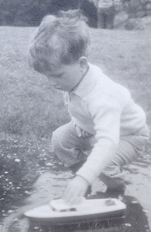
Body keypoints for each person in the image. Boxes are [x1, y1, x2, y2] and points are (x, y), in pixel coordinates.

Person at [28, 10, 149, 206]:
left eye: (57, 75)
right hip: (91, 129)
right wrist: (78, 125)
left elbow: (108, 143)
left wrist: (85, 176)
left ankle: (117, 192)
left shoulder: (103, 97)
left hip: (129, 135)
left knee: (105, 163)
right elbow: (77, 106)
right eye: (47, 76)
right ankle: (83, 182)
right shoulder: (73, 79)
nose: (52, 82)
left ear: (82, 64)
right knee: (60, 139)